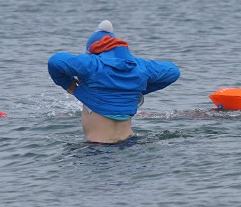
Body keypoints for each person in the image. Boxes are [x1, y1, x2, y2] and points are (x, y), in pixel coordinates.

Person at [47, 20, 180, 144]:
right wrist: (134, 88)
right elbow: (173, 72)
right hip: (130, 144)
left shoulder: (92, 65)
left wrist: (69, 85)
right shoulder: (139, 67)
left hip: (97, 148)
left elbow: (55, 61)